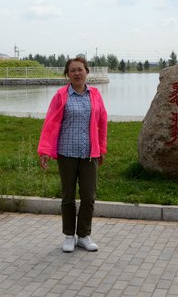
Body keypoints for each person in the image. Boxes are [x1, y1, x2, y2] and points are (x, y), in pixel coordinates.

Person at [38, 57, 108, 253]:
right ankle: (69, 235)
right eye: (72, 70)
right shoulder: (61, 96)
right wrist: (45, 150)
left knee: (88, 196)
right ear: (67, 74)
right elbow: (50, 123)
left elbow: (102, 122)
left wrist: (102, 148)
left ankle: (84, 235)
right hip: (66, 153)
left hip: (89, 154)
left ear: (86, 71)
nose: (77, 73)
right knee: (68, 196)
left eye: (80, 69)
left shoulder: (95, 95)